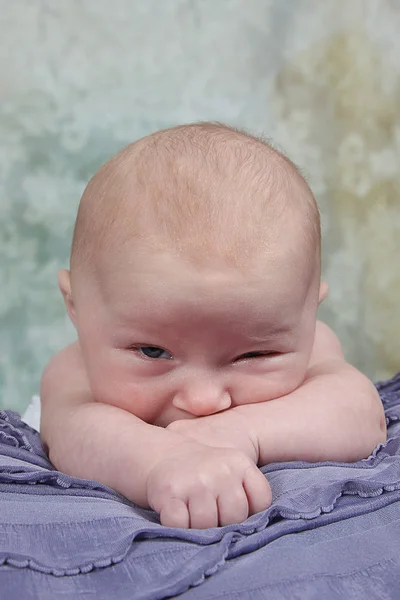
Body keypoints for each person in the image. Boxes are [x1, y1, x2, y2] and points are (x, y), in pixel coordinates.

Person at [40, 123, 386, 529]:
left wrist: (242, 431)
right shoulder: (75, 369)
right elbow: (75, 433)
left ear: (308, 313)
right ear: (76, 309)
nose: (203, 401)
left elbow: (363, 416)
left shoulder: (313, 348)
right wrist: (163, 461)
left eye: (255, 354)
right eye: (153, 351)